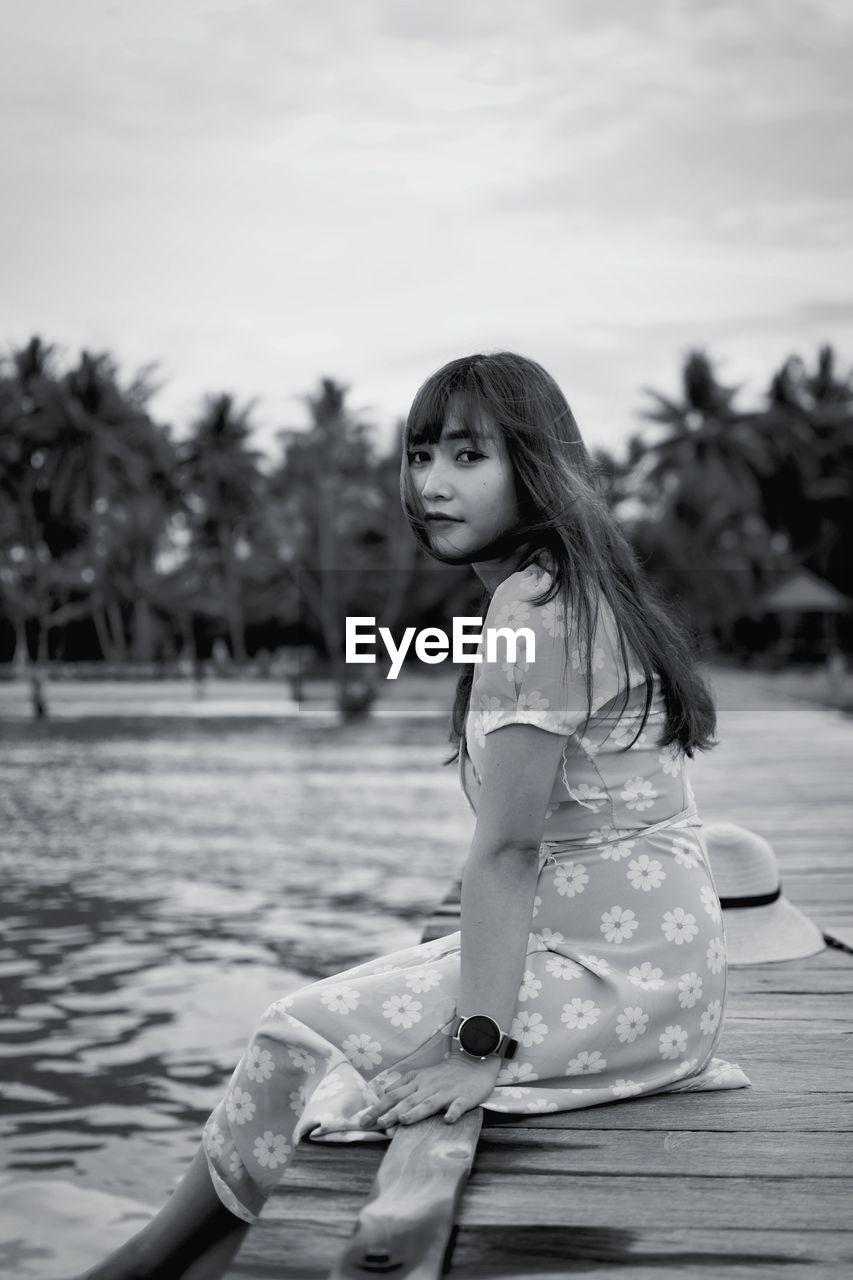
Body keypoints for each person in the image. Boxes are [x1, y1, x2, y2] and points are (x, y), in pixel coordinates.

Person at [75, 352, 749, 1279]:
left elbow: (508, 850)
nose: (430, 484)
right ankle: (169, 1265)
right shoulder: (568, 585)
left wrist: (480, 1047)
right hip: (648, 970)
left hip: (620, 983)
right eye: (421, 454)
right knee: (337, 1049)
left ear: (534, 465)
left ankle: (140, 1266)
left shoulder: (537, 606)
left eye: (467, 457)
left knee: (298, 1033)